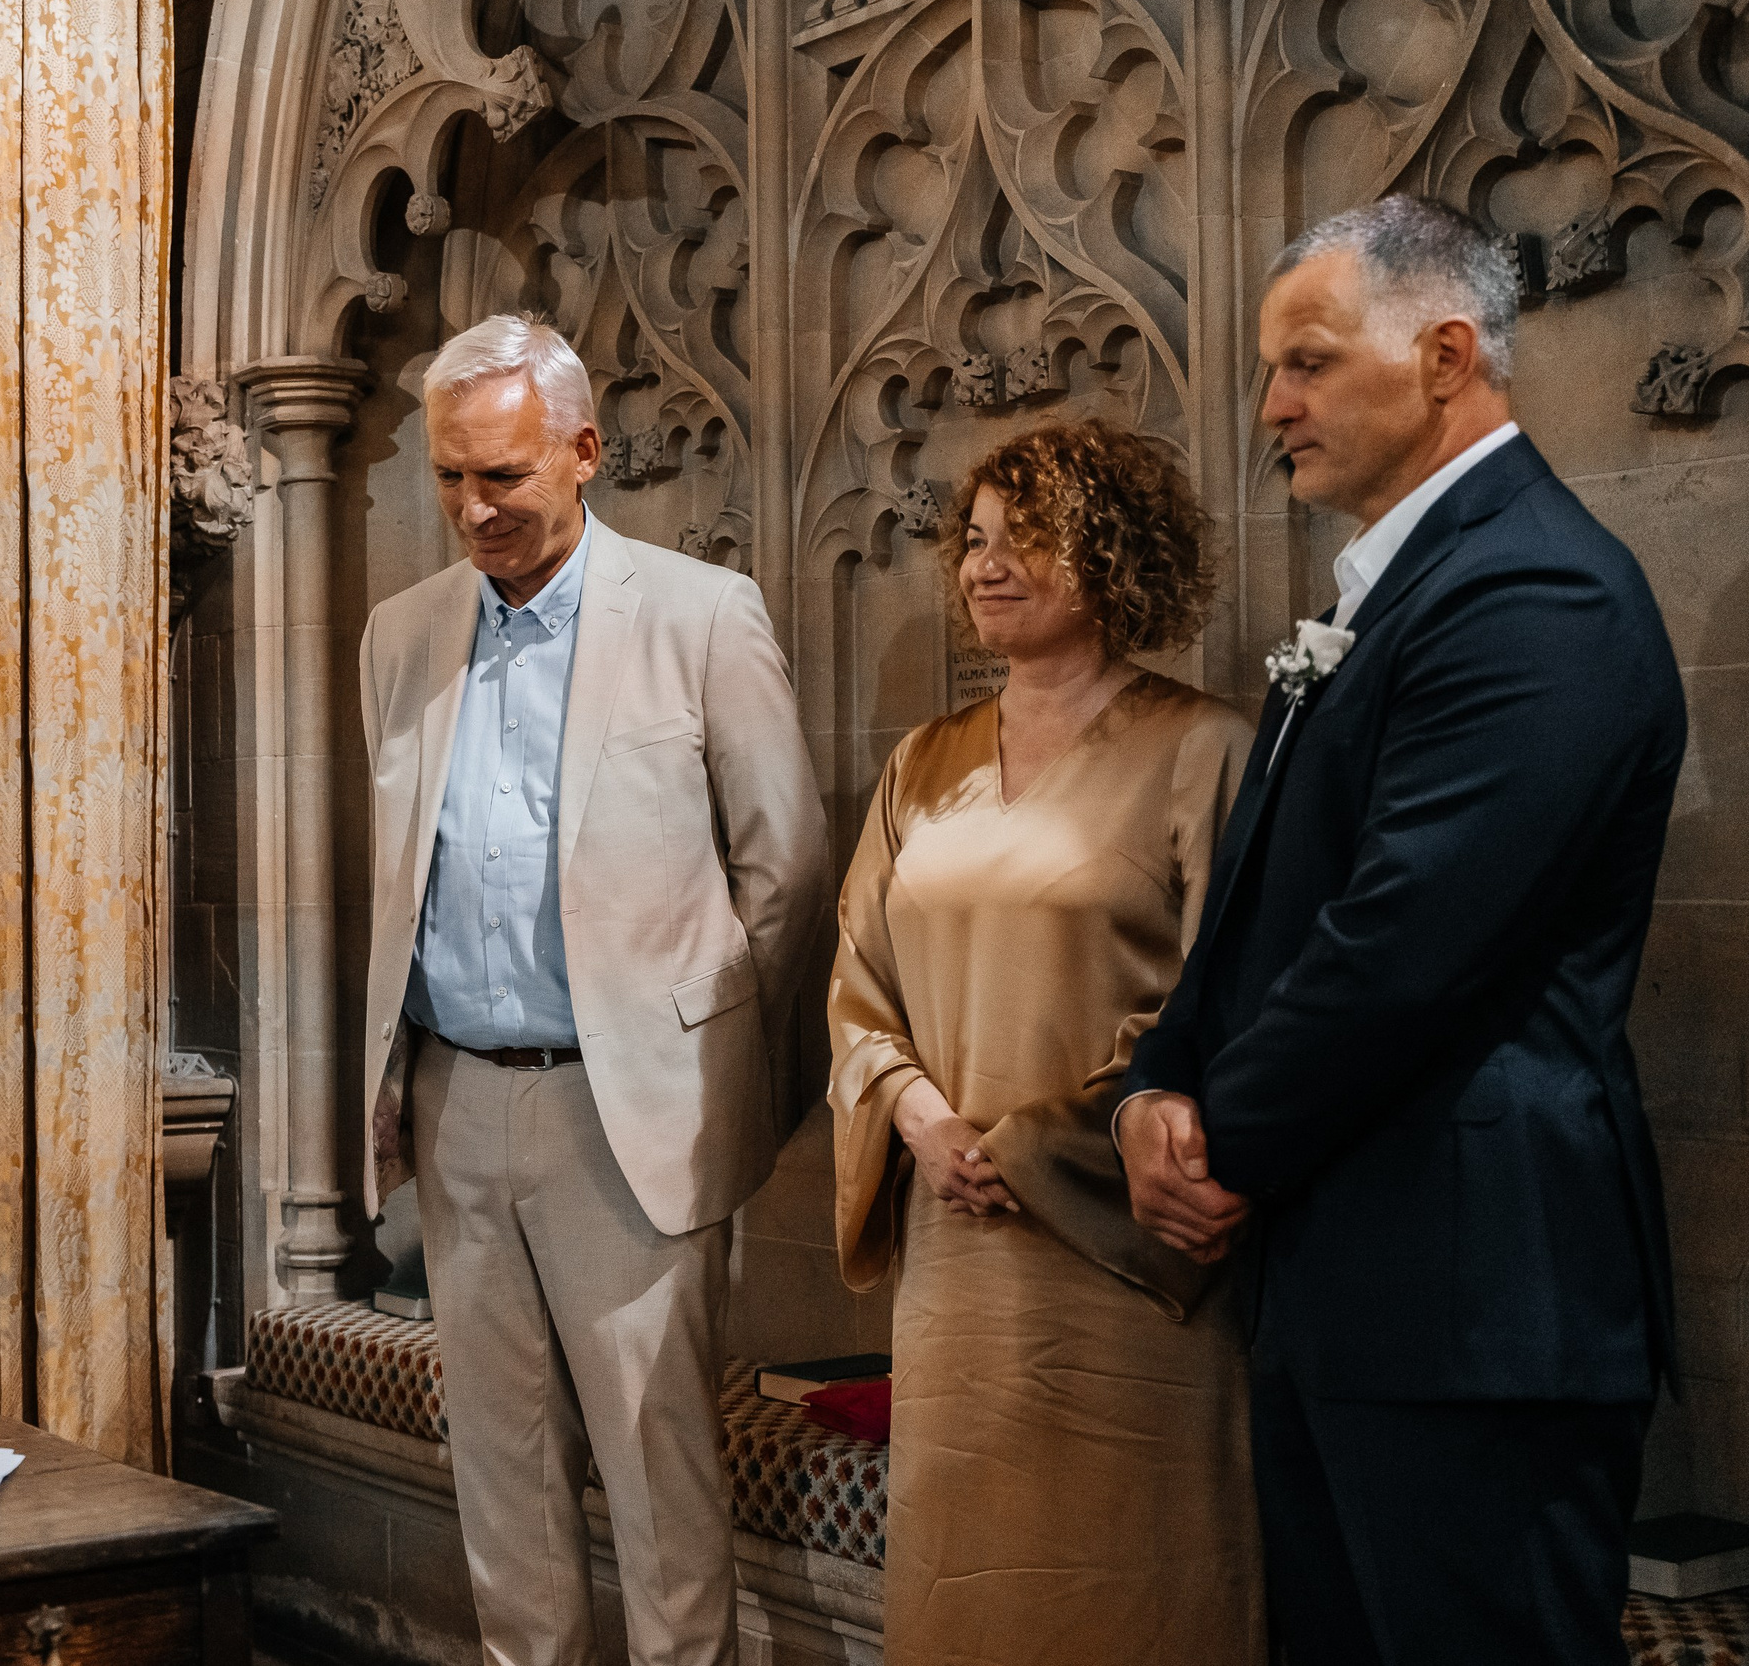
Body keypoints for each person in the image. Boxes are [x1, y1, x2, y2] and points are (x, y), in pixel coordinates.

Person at [1117, 195, 1683, 1663]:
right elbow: (1261, 906)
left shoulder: (1534, 591)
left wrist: (1217, 1141)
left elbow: (1402, 946)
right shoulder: (1400, 591)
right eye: (1270, 369)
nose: (1271, 406)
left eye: (1305, 363)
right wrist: (1151, 1086)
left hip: (1473, 1304)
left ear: (1444, 358)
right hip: (1354, 1285)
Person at [357, 313, 830, 1666]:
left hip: (625, 1113)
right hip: (457, 1099)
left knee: (658, 1481)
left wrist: (706, 1073)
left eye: (503, 476)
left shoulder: (698, 615)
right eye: (451, 476)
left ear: (583, 452)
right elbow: (401, 879)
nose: (474, 509)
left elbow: (788, 872)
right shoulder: (402, 633)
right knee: (501, 1488)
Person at [825, 420, 1263, 1665]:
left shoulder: (1204, 749)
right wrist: (918, 1119)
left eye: (1027, 538)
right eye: (972, 540)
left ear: (1111, 552)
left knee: (1139, 1589)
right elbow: (856, 982)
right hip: (955, 1251)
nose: (985, 565)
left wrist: (1032, 1145)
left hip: (1123, 1248)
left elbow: (1232, 996)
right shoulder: (923, 762)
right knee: (969, 1587)